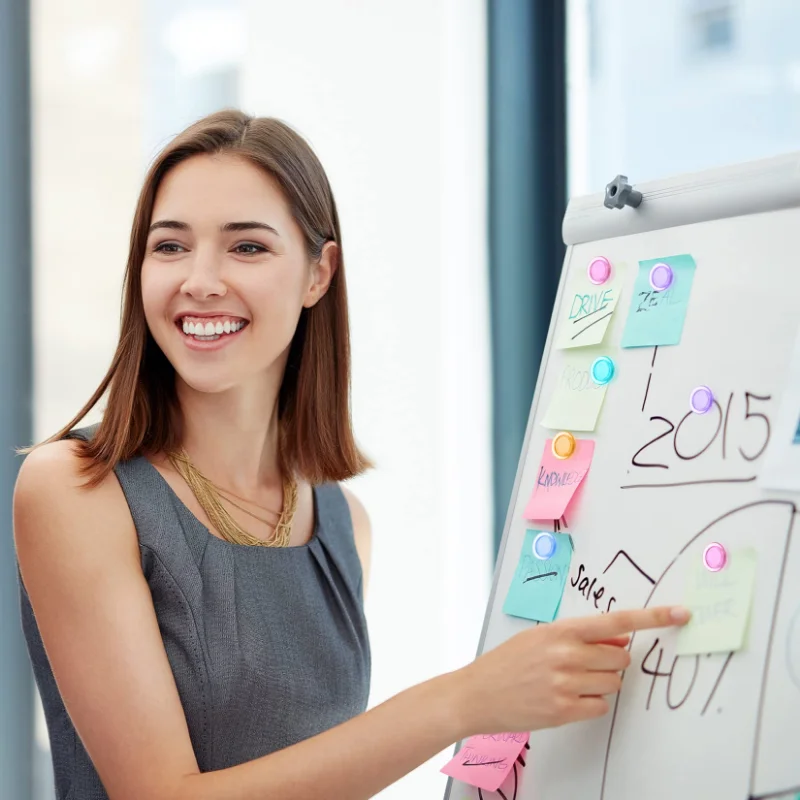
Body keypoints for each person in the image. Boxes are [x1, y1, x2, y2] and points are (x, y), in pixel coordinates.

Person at [13, 109, 690, 800]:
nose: (202, 279)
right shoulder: (75, 488)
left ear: (318, 274)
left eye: (246, 247)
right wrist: (463, 700)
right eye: (170, 246)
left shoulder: (341, 524)